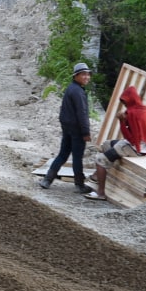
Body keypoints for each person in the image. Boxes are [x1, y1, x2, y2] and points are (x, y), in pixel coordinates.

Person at [85, 85, 146, 201]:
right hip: (144, 145)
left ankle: (100, 193)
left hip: (135, 148)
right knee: (107, 144)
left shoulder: (132, 113)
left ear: (130, 100)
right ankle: (97, 176)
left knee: (100, 160)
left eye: (125, 102)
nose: (125, 105)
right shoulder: (143, 109)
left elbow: (131, 139)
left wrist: (122, 122)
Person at [39, 62, 94, 193]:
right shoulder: (78, 92)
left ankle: (47, 179)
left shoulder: (70, 89)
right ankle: (80, 185)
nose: (87, 77)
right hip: (77, 130)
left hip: (67, 128)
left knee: (63, 154)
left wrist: (66, 127)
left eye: (88, 74)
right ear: (76, 76)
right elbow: (82, 113)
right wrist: (86, 132)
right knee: (77, 157)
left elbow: (63, 112)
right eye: (83, 74)